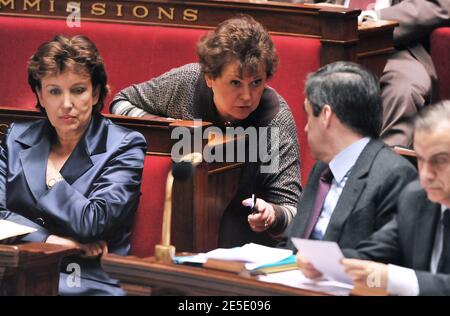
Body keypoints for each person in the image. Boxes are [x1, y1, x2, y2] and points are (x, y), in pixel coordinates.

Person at [110, 15, 301, 247]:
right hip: (180, 222)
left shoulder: (274, 119)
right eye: (235, 83)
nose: (247, 96)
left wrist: (273, 214)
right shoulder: (187, 84)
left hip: (247, 243)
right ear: (210, 77)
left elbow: (294, 212)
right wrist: (169, 127)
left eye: (256, 82)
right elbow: (120, 104)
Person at [0, 35, 147, 295]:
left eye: (78, 90)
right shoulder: (16, 137)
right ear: (40, 96)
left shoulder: (124, 145)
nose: (66, 104)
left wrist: (51, 175)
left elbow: (93, 222)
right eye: (54, 91)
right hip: (16, 268)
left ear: (95, 93)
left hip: (86, 276)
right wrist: (49, 240)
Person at [298, 100, 450, 296]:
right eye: (421, 159)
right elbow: (371, 254)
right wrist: (322, 262)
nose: (426, 174)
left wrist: (393, 278)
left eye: (440, 161)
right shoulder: (416, 199)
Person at [274, 0, 450, 148]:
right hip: (327, 35)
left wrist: (374, 19)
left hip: (394, 44)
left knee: (404, 89)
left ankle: (381, 178)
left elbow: (439, 5)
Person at [280, 61, 417, 251]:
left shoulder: (394, 176)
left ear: (326, 115)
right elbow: (289, 243)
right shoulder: (322, 168)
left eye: (309, 115)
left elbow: (382, 258)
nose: (305, 128)